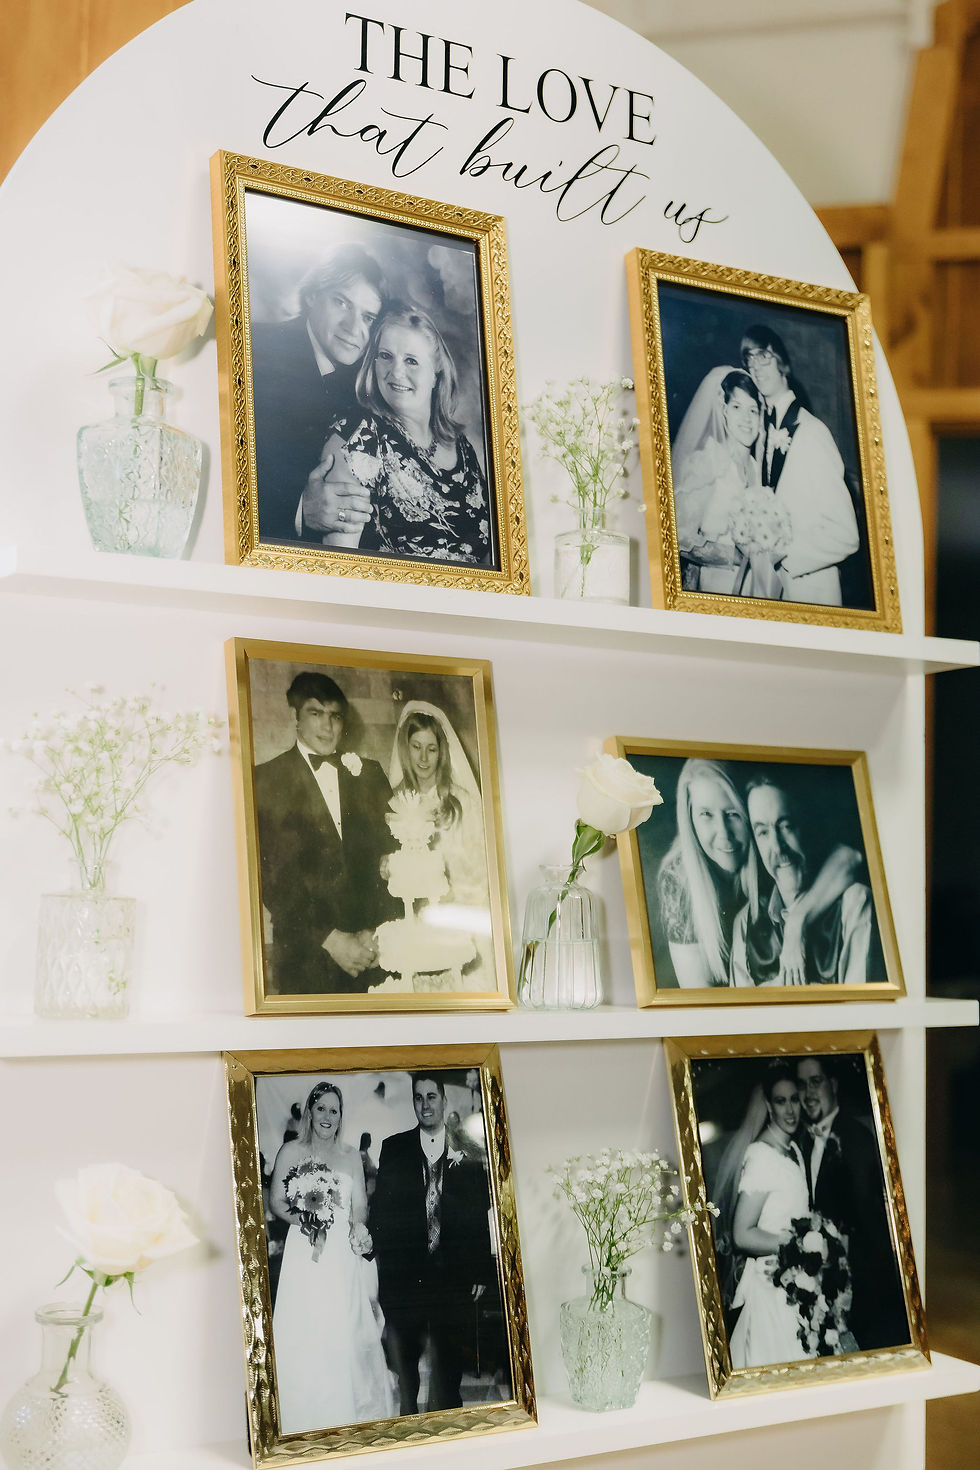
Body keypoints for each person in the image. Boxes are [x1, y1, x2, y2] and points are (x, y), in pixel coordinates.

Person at [254, 671, 397, 995]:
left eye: (335, 716)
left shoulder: (370, 774)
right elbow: (270, 877)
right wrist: (331, 940)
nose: (327, 726)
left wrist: (380, 933)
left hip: (373, 954)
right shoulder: (264, 780)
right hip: (307, 959)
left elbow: (393, 858)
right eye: (316, 713)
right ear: (295, 717)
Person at [318, 303, 492, 565]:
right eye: (385, 356)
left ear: (436, 372)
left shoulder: (464, 448)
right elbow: (341, 565)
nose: (396, 372)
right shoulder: (357, 438)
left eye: (411, 360)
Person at [268, 1082, 394, 1432]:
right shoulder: (291, 1151)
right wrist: (307, 1220)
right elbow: (276, 1201)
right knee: (307, 1326)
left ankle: (343, 1414)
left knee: (342, 1327)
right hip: (304, 1252)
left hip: (340, 1255)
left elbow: (359, 1206)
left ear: (341, 1117)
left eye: (334, 1110)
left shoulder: (351, 1156)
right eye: (321, 1108)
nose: (327, 1116)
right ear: (310, 1112)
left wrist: (358, 1228)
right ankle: (304, 1416)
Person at [370, 1073, 496, 1415]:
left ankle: (449, 1420)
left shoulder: (468, 1148)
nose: (425, 1104)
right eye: (418, 1097)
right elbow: (382, 1209)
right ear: (413, 1102)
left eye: (431, 1096)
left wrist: (479, 1270)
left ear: (443, 1100)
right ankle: (408, 1418)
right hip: (406, 1275)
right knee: (406, 1361)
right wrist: (377, 1252)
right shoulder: (394, 1148)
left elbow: (477, 1213)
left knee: (449, 1358)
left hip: (452, 1274)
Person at [250, 245, 386, 544]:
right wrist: (299, 508)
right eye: (341, 302)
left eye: (367, 317)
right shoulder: (256, 349)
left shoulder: (365, 378)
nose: (354, 328)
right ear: (312, 295)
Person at [740, 325, 860, 606]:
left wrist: (782, 556)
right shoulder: (760, 434)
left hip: (811, 592)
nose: (755, 367)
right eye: (749, 359)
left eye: (763, 356)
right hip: (770, 593)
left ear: (782, 361)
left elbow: (846, 534)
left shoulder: (812, 432)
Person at [796, 1057, 909, 1350]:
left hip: (863, 1285)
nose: (808, 1093)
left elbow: (870, 1221)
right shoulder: (800, 1140)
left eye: (816, 1082)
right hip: (822, 1283)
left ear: (833, 1085)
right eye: (802, 1085)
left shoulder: (856, 1138)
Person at [713, 1063, 815, 1369]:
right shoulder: (761, 1156)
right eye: (781, 1101)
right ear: (768, 1106)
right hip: (769, 1288)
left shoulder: (793, 1150)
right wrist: (796, 1244)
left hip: (795, 1284)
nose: (790, 1110)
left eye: (794, 1099)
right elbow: (742, 1233)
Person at [730, 778, 875, 987]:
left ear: (808, 826)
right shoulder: (746, 923)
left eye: (786, 826)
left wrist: (797, 922)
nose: (777, 847)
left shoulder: (854, 904)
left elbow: (864, 1007)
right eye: (763, 832)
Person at [657, 759, 760, 988]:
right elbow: (697, 993)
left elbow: (843, 858)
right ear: (690, 819)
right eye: (706, 814)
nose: (724, 833)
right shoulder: (678, 881)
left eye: (733, 813)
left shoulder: (768, 844)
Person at [671, 366, 773, 595]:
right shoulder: (707, 461)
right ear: (723, 410)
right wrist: (734, 557)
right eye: (737, 407)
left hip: (756, 586)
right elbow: (678, 537)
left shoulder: (757, 469)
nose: (747, 419)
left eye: (753, 410)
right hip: (716, 585)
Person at [389, 701, 489, 912]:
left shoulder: (462, 802)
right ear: (405, 748)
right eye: (416, 747)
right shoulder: (395, 801)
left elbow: (479, 871)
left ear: (441, 752)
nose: (423, 758)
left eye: (432, 749)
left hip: (453, 910)